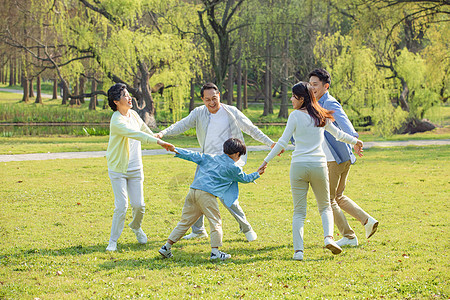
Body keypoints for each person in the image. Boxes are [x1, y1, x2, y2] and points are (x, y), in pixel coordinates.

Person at [154, 82, 276, 242]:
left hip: (228, 162)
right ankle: (198, 230)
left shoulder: (231, 112)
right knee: (197, 194)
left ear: (219, 96)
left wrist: (270, 143)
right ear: (203, 100)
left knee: (229, 200)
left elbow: (251, 129)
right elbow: (182, 125)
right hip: (207, 161)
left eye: (214, 98)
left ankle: (246, 228)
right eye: (207, 100)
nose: (211, 103)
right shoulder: (199, 113)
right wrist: (163, 133)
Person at [258, 82, 364, 261]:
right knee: (325, 207)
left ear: (301, 98)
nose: (291, 99)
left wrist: (265, 161)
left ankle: (298, 252)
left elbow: (283, 142)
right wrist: (355, 142)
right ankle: (329, 237)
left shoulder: (295, 116)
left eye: (293, 96)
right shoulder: (321, 115)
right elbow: (338, 134)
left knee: (299, 212)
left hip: (298, 166)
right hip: (318, 166)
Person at [158, 138, 266, 260]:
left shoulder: (210, 157)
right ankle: (215, 252)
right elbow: (245, 179)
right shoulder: (233, 167)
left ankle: (166, 247)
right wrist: (257, 173)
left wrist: (175, 149)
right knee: (216, 222)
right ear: (236, 154)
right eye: (240, 156)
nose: (239, 158)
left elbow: (192, 155)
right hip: (206, 195)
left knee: (185, 222)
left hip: (193, 191)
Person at [308, 68, 378, 247]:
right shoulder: (316, 102)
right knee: (338, 196)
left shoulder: (329, 103)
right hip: (340, 157)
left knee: (328, 200)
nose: (312, 87)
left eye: (315, 84)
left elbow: (346, 124)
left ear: (326, 86)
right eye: (310, 84)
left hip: (335, 158)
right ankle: (367, 221)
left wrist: (354, 141)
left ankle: (348, 236)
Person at [105, 83, 175, 251]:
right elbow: (136, 134)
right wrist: (159, 142)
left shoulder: (134, 114)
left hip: (135, 167)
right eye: (125, 96)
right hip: (118, 168)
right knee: (122, 206)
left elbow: (143, 129)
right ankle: (112, 242)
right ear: (116, 101)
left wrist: (155, 135)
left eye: (129, 95)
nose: (130, 98)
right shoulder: (117, 121)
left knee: (139, 205)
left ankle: (136, 227)